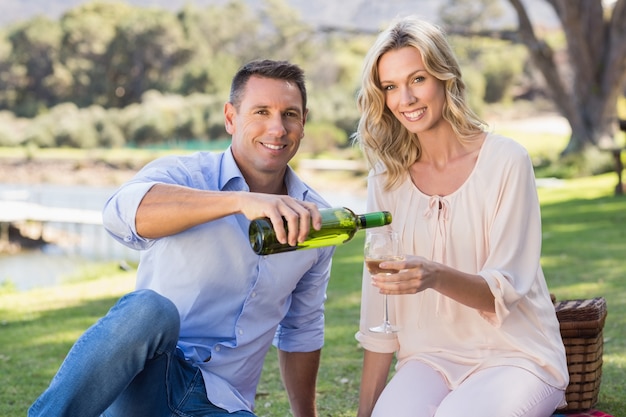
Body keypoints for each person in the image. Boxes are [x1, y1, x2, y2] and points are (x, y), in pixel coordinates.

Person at [28, 59, 335, 417]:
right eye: (261, 112)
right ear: (230, 118)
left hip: (223, 402)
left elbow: (302, 328)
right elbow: (120, 213)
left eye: (290, 114)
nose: (277, 128)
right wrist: (238, 201)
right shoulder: (183, 174)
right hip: (144, 385)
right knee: (149, 309)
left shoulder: (316, 219)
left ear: (303, 122)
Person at [351, 16, 569, 417]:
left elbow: (501, 290)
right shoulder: (386, 179)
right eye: (391, 86)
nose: (406, 99)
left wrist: (433, 275)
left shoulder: (506, 161)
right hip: (429, 358)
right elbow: (377, 312)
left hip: (516, 355)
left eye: (417, 79)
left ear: (444, 76)